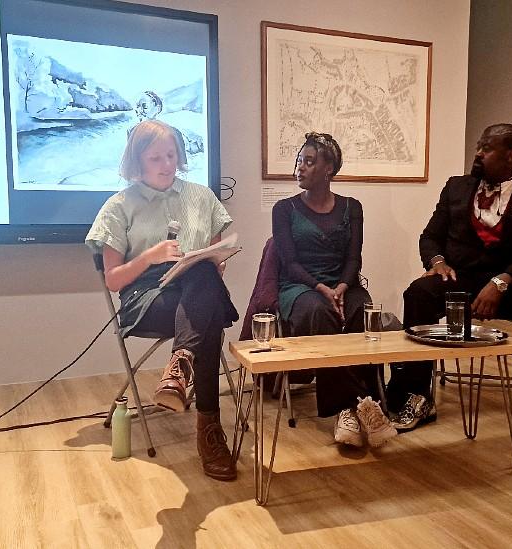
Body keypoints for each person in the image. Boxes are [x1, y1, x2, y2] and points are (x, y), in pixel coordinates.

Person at [386, 123, 512, 452]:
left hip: (506, 282)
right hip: (459, 280)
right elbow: (431, 236)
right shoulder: (456, 188)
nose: (478, 152)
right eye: (479, 145)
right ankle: (419, 397)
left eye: (487, 148)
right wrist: (436, 263)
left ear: (511, 155)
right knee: (419, 293)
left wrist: (502, 281)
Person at [85, 119, 238, 481]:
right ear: (137, 161)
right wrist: (149, 257)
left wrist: (212, 262)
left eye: (171, 155)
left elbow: (215, 261)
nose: (167, 164)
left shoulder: (202, 197)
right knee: (208, 316)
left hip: (195, 288)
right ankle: (209, 429)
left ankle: (180, 365)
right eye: (156, 157)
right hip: (146, 296)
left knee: (201, 276)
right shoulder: (118, 206)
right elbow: (113, 280)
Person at [272, 132, 397, 448]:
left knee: (362, 310)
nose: (300, 168)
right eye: (299, 160)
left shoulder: (352, 207)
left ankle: (353, 410)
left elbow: (354, 257)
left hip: (345, 283)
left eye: (309, 162)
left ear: (329, 169)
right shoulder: (284, 209)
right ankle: (354, 407)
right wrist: (322, 289)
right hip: (301, 287)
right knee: (320, 311)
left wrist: (341, 286)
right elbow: (288, 262)